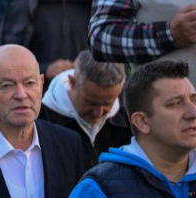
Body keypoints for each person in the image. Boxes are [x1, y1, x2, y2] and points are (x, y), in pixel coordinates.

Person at [0, 45, 86, 198]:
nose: (21, 94)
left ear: (41, 83)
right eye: (7, 85)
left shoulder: (69, 145)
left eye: (30, 83)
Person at [69, 60, 196, 197]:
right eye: (175, 103)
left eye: (195, 100)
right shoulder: (98, 189)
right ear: (142, 122)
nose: (193, 113)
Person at [41, 50, 132, 170]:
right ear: (72, 83)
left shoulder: (128, 115)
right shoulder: (42, 118)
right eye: (91, 103)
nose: (98, 113)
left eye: (107, 104)